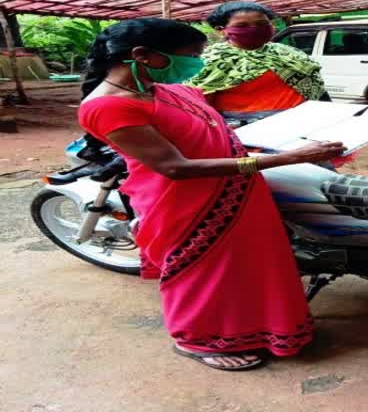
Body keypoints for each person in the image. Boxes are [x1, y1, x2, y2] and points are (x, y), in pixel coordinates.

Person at [78, 19, 345, 371]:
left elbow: (207, 128)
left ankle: (258, 329)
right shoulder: (108, 106)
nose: (197, 64)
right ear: (142, 55)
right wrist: (290, 158)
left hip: (238, 189)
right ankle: (197, 339)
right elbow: (176, 167)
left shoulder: (169, 90)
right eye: (190, 56)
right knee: (202, 276)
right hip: (186, 203)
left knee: (249, 268)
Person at [186, 1, 330, 121]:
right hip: (248, 133)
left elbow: (316, 89)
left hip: (306, 122)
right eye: (242, 26)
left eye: (261, 24)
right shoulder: (211, 60)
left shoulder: (288, 52)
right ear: (221, 30)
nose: (255, 29)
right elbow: (201, 106)